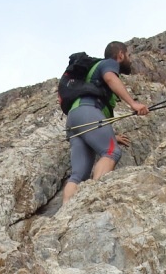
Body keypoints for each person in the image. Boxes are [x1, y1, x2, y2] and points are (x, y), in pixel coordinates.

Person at [61, 41, 149, 204]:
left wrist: (111, 135)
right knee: (111, 152)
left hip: (75, 118)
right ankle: (94, 198)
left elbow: (92, 125)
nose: (129, 59)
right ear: (120, 55)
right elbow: (109, 78)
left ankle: (65, 212)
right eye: (128, 55)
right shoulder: (109, 63)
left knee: (79, 174)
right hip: (89, 111)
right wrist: (133, 104)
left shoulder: (91, 73)